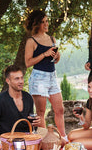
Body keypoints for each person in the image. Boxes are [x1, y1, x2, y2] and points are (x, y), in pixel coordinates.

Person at [24, 10, 67, 140]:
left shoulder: (52, 39)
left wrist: (57, 56)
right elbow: (27, 62)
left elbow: (55, 60)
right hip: (38, 78)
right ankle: (44, 140)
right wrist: (44, 54)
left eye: (47, 21)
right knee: (41, 113)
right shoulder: (31, 41)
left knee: (60, 109)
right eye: (43, 22)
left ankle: (63, 138)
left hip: (52, 76)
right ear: (36, 24)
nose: (46, 24)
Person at [0, 65, 41, 148]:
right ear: (8, 81)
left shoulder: (28, 97)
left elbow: (30, 123)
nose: (21, 81)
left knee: (56, 139)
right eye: (17, 79)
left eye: (22, 78)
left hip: (28, 142)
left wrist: (35, 123)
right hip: (9, 144)